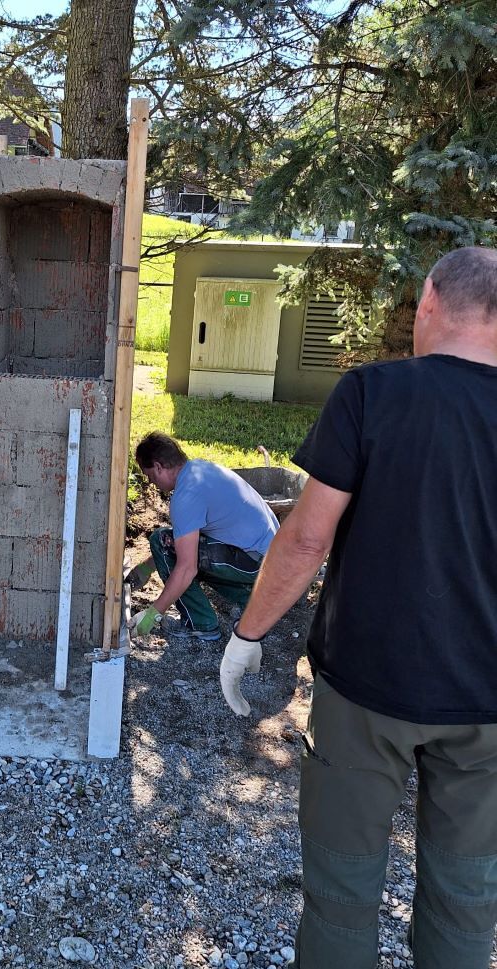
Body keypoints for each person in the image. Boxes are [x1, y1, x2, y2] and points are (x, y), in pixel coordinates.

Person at [219, 246, 497, 969]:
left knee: (342, 892)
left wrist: (248, 633)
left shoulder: (373, 392)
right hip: (488, 708)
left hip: (365, 691)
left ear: (430, 299)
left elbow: (307, 539)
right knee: (466, 898)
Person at [129, 432, 278, 642]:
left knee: (161, 541)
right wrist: (146, 568)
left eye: (150, 476)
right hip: (272, 557)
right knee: (180, 547)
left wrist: (153, 614)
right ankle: (251, 602)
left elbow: (186, 568)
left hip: (257, 563)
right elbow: (186, 542)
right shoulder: (200, 470)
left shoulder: (186, 496)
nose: (151, 482)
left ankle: (201, 624)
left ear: (159, 467)